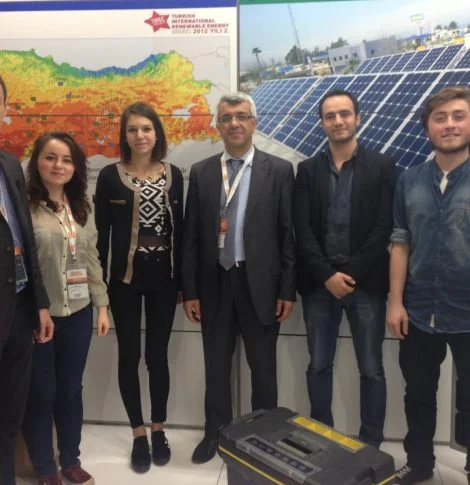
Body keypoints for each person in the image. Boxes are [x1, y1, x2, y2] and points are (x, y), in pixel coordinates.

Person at [182, 92, 296, 464]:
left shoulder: (279, 170)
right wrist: (189, 291)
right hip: (214, 283)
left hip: (260, 284)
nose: (234, 123)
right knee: (216, 367)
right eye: (227, 117)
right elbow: (191, 236)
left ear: (254, 123)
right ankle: (214, 433)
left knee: (263, 369)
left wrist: (287, 289)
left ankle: (264, 438)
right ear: (218, 125)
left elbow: (287, 233)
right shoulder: (201, 172)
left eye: (242, 116)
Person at [293, 89, 396, 448]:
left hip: (366, 285)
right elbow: (302, 229)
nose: (338, 121)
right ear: (322, 123)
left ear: (358, 118)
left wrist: (348, 274)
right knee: (318, 365)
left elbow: (383, 227)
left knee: (371, 369)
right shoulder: (307, 171)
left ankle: (371, 444)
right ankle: (322, 438)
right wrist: (326, 275)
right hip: (319, 285)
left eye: (344, 114)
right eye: (330, 116)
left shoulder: (383, 167)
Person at [94, 102, 183, 473]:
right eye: (132, 129)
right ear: (124, 135)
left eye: (146, 128)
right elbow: (100, 237)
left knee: (157, 356)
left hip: (165, 279)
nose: (140, 135)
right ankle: (138, 434)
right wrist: (100, 291)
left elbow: (183, 232)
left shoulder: (174, 175)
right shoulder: (109, 177)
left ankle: (159, 428)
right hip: (124, 282)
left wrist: (185, 283)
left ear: (156, 133)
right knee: (128, 356)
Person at [387, 86, 470, 485]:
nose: (449, 125)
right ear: (427, 128)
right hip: (418, 309)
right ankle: (419, 463)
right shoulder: (410, 179)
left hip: (468, 310)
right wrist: (395, 301)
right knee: (418, 395)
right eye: (440, 118)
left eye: (458, 116)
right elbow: (400, 241)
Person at [21, 132, 110, 485]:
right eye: (50, 157)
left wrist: (101, 305)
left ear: (76, 167)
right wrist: (34, 308)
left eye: (67, 160)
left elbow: (91, 259)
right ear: (37, 162)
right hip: (40, 317)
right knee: (41, 394)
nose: (59, 166)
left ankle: (70, 459)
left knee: (71, 391)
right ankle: (45, 468)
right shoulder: (24, 207)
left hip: (79, 313)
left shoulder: (81, 207)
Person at [0, 74, 53, 485]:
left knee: (9, 415)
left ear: (4, 110)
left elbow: (25, 240)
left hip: (18, 309)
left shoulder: (9, 165)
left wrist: (40, 303)